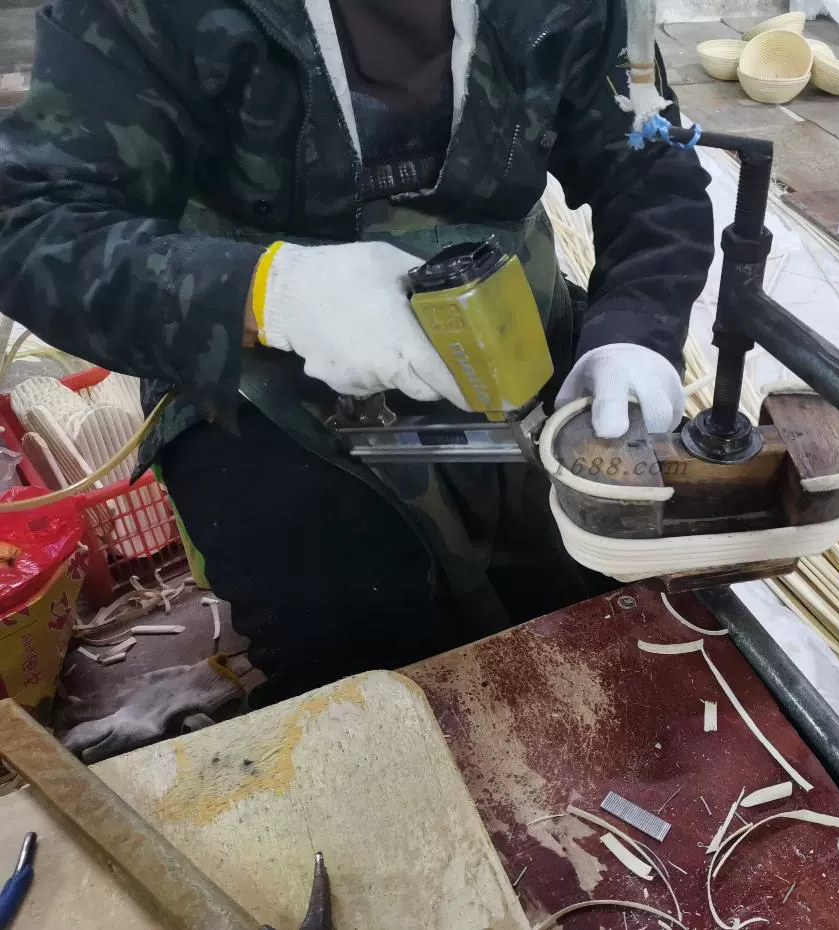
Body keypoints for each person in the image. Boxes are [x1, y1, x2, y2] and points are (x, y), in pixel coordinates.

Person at [0, 0, 713, 706]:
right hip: (267, 381)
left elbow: (653, 170)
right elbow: (29, 223)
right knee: (361, 658)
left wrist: (635, 330)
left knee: (606, 598)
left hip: (515, 338)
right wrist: (269, 293)